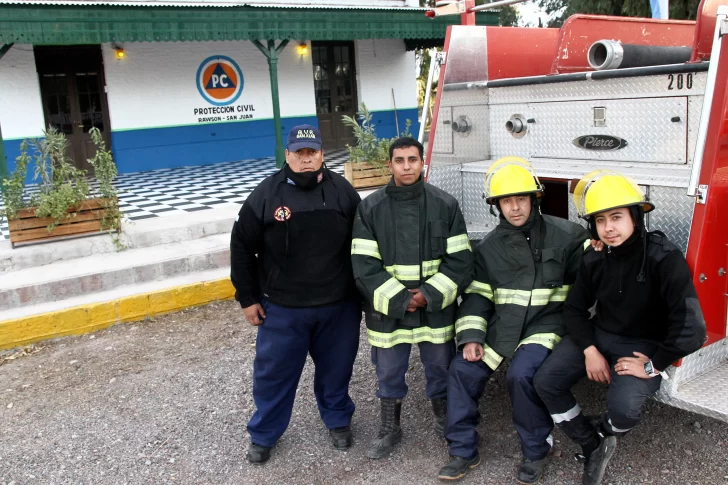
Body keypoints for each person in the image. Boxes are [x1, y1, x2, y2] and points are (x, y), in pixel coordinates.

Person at [533, 170, 707, 485]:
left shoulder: (663, 258)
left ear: (636, 217)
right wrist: (589, 350)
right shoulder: (595, 257)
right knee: (545, 382)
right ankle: (590, 442)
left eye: (616, 217)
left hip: (642, 346)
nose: (609, 228)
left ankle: (605, 429)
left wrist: (654, 364)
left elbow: (692, 328)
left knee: (625, 410)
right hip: (599, 336)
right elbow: (573, 310)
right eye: (601, 220)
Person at [438, 157, 590, 483]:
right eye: (506, 201)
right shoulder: (488, 248)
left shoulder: (568, 236)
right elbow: (477, 297)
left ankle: (537, 449)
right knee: (462, 369)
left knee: (522, 374)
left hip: (546, 325)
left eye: (521, 198)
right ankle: (462, 450)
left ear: (535, 198)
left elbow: (588, 286)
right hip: (502, 328)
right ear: (497, 206)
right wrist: (472, 338)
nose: (515, 208)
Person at [230, 124, 362, 464]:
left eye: (312, 153)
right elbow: (242, 247)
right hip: (283, 309)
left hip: (338, 306)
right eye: (299, 153)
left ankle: (337, 420)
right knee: (273, 376)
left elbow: (364, 245)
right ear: (287, 155)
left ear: (321, 154)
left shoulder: (343, 192)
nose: (306, 159)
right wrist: (247, 298)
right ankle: (264, 434)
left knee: (337, 370)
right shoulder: (266, 194)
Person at [351, 136, 473, 459]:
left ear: (422, 163)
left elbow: (460, 261)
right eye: (400, 160)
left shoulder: (445, 204)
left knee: (440, 365)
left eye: (413, 160)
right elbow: (363, 266)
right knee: (388, 370)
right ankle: (390, 427)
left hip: (434, 309)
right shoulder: (370, 208)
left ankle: (445, 417)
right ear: (389, 165)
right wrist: (402, 300)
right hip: (389, 312)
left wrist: (428, 295)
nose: (407, 166)